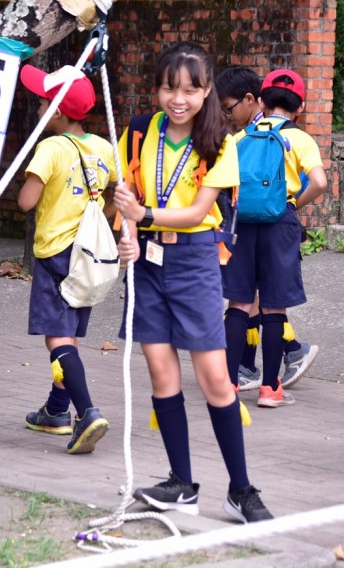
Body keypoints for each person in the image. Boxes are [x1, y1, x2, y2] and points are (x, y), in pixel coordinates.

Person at [113, 42, 273, 523]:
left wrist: (144, 215)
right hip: (147, 264)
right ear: (157, 89)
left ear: (206, 92)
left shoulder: (222, 143)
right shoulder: (139, 133)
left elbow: (200, 212)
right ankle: (181, 484)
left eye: (190, 89)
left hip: (195, 262)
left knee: (216, 380)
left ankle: (240, 490)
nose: (177, 99)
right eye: (168, 88)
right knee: (162, 374)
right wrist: (127, 234)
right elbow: (123, 198)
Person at [17, 64, 114, 455]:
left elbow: (27, 201)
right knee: (68, 336)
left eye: (42, 101)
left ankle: (86, 411)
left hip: (56, 253)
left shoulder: (50, 148)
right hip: (87, 255)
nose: (39, 106)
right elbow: (107, 199)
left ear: (56, 111)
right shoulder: (104, 147)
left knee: (57, 339)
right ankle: (56, 411)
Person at [220, 69, 327, 408]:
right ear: (301, 108)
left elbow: (222, 183)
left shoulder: (239, 140)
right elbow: (320, 183)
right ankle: (269, 389)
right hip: (279, 224)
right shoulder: (301, 139)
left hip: (242, 223)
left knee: (238, 303)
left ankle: (229, 387)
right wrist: (293, 202)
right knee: (273, 305)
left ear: (262, 102)